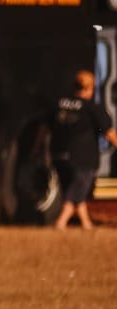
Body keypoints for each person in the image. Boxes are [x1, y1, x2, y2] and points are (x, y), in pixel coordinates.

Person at [48, 69, 117, 230]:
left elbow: (45, 127)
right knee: (79, 187)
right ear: (90, 89)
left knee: (73, 189)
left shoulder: (60, 104)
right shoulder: (91, 108)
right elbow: (108, 133)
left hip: (58, 154)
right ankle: (61, 221)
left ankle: (86, 223)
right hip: (82, 156)